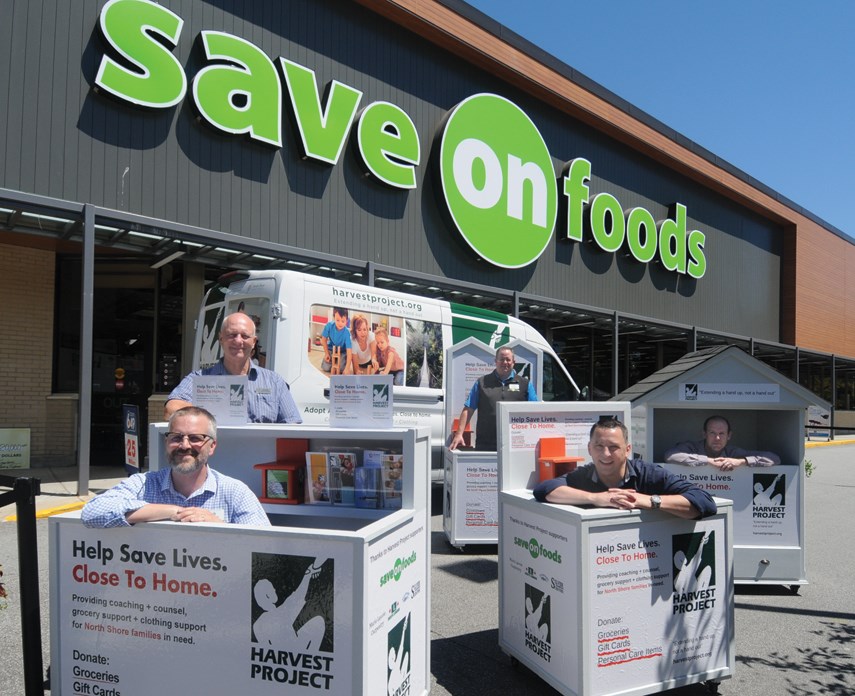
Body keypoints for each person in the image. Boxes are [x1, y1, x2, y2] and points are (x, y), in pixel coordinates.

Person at [82, 407, 270, 527]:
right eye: (177, 437)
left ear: (212, 446)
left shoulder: (235, 492)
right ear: (167, 442)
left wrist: (219, 525)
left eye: (195, 438)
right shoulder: (144, 483)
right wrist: (174, 511)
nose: (185, 445)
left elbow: (265, 545)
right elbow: (92, 513)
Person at [533, 418, 717, 520]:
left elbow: (704, 502)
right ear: (589, 449)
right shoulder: (583, 475)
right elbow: (544, 489)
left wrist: (649, 501)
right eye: (599, 446)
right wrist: (597, 498)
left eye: (613, 447)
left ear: (628, 450)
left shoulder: (649, 474)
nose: (605, 454)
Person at [165, 312, 302, 424]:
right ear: (221, 339)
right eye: (232, 335)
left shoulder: (274, 381)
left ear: (254, 342)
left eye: (245, 336)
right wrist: (211, 412)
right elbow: (171, 409)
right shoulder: (200, 378)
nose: (238, 341)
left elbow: (293, 423)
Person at [449, 346, 537, 452]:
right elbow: (468, 409)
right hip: (486, 444)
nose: (505, 362)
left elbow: (535, 411)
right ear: (495, 361)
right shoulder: (481, 383)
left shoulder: (525, 384)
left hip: (516, 444)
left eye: (508, 359)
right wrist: (459, 434)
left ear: (514, 362)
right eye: (501, 359)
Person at [664, 415, 780, 471]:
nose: (717, 438)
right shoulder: (691, 447)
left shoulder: (733, 453)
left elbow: (774, 459)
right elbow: (670, 456)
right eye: (712, 433)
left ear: (729, 436)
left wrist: (741, 462)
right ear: (704, 434)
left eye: (722, 433)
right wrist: (709, 461)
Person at [321, 306, 353, 374]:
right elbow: (323, 340)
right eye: (337, 320)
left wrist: (347, 368)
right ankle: (333, 361)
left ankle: (339, 362)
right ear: (334, 318)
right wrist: (326, 353)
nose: (340, 323)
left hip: (342, 352)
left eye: (343, 321)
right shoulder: (329, 326)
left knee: (341, 368)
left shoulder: (347, 333)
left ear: (347, 320)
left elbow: (349, 351)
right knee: (325, 367)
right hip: (331, 349)